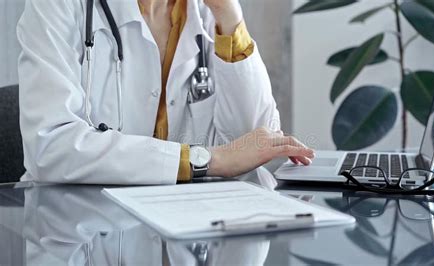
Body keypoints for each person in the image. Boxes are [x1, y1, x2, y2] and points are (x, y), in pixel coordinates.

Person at [17, 0, 314, 184]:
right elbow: (51, 147)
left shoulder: (206, 11)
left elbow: (254, 142)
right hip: (73, 228)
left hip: (180, 229)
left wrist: (229, 14)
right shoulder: (57, 5)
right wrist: (208, 160)